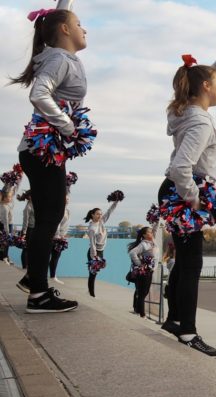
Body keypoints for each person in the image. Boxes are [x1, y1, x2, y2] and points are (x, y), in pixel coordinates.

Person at [158, 53, 216, 357]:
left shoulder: (185, 111)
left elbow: (208, 74)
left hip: (175, 191)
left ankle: (175, 318)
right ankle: (188, 331)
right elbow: (181, 167)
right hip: (183, 191)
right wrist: (196, 199)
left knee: (185, 258)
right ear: (204, 87)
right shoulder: (200, 122)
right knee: (192, 263)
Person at [11, 2, 82, 313]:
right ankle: (38, 294)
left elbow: (59, 12)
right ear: (64, 30)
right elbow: (39, 94)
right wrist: (67, 126)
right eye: (79, 23)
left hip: (41, 148)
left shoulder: (59, 56)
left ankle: (34, 279)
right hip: (43, 148)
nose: (84, 29)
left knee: (48, 216)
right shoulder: (58, 58)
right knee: (50, 217)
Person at [84, 200, 118, 297]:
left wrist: (115, 202)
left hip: (101, 251)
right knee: (93, 273)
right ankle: (91, 293)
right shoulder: (92, 228)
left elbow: (109, 212)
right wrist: (94, 257)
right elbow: (92, 244)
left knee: (95, 273)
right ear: (92, 215)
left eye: (100, 214)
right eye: (98, 214)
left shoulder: (101, 222)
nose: (100, 216)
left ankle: (90, 292)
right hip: (94, 252)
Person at [128, 227, 159, 318]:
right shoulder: (144, 244)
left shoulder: (153, 242)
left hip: (150, 270)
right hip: (144, 272)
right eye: (149, 232)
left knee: (144, 292)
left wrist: (154, 268)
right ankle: (142, 314)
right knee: (143, 293)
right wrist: (140, 264)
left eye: (151, 232)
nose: (151, 233)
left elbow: (156, 258)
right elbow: (132, 253)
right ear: (144, 235)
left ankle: (138, 310)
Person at [49, 194, 70, 284]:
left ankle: (53, 275)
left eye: (68, 199)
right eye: (65, 198)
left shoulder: (67, 211)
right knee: (50, 256)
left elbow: (65, 225)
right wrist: (57, 235)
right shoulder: (57, 209)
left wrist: (63, 235)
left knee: (56, 257)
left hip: (61, 237)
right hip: (54, 237)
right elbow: (56, 223)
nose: (67, 200)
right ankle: (50, 275)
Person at [0, 186, 16, 265]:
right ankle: (4, 258)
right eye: (9, 197)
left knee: (6, 243)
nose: (11, 198)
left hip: (9, 224)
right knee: (5, 242)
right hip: (6, 225)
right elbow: (5, 220)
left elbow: (13, 191)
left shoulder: (8, 205)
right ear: (4, 197)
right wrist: (7, 231)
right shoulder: (4, 207)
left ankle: (5, 257)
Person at [19, 191, 34, 269]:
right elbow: (25, 221)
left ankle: (29, 266)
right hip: (29, 230)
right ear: (29, 197)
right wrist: (24, 233)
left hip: (34, 229)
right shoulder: (28, 207)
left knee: (31, 249)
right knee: (26, 248)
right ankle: (24, 266)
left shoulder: (35, 205)